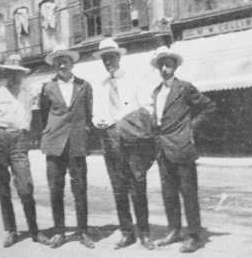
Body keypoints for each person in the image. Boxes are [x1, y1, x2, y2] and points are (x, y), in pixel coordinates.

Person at [92, 37, 156, 250]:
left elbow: (147, 107)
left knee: (138, 186)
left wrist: (126, 122)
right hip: (110, 140)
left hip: (133, 140)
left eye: (111, 57)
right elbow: (96, 113)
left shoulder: (134, 79)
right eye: (104, 58)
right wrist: (97, 120)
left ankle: (145, 233)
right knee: (119, 188)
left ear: (118, 57)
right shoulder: (100, 85)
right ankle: (127, 232)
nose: (107, 61)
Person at [150, 46, 216, 253]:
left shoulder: (184, 88)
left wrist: (191, 128)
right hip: (163, 149)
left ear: (175, 67)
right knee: (169, 193)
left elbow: (209, 106)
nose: (165, 69)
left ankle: (195, 236)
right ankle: (174, 230)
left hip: (182, 147)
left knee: (188, 193)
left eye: (168, 65)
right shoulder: (156, 91)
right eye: (161, 65)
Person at [0, 54, 49, 248]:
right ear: (5, 74)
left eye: (18, 73)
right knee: (2, 187)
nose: (14, 77)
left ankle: (35, 231)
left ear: (22, 75)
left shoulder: (28, 94)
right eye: (10, 73)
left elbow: (33, 114)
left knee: (26, 187)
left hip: (19, 140)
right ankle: (11, 230)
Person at [39, 44, 95, 249]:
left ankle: (83, 232)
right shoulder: (47, 87)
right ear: (54, 65)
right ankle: (59, 232)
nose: (62, 64)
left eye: (66, 60)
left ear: (72, 63)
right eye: (58, 61)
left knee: (80, 188)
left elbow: (88, 114)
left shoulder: (84, 86)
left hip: (77, 143)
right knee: (56, 189)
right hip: (54, 144)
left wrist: (84, 135)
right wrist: (52, 133)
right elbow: (44, 117)